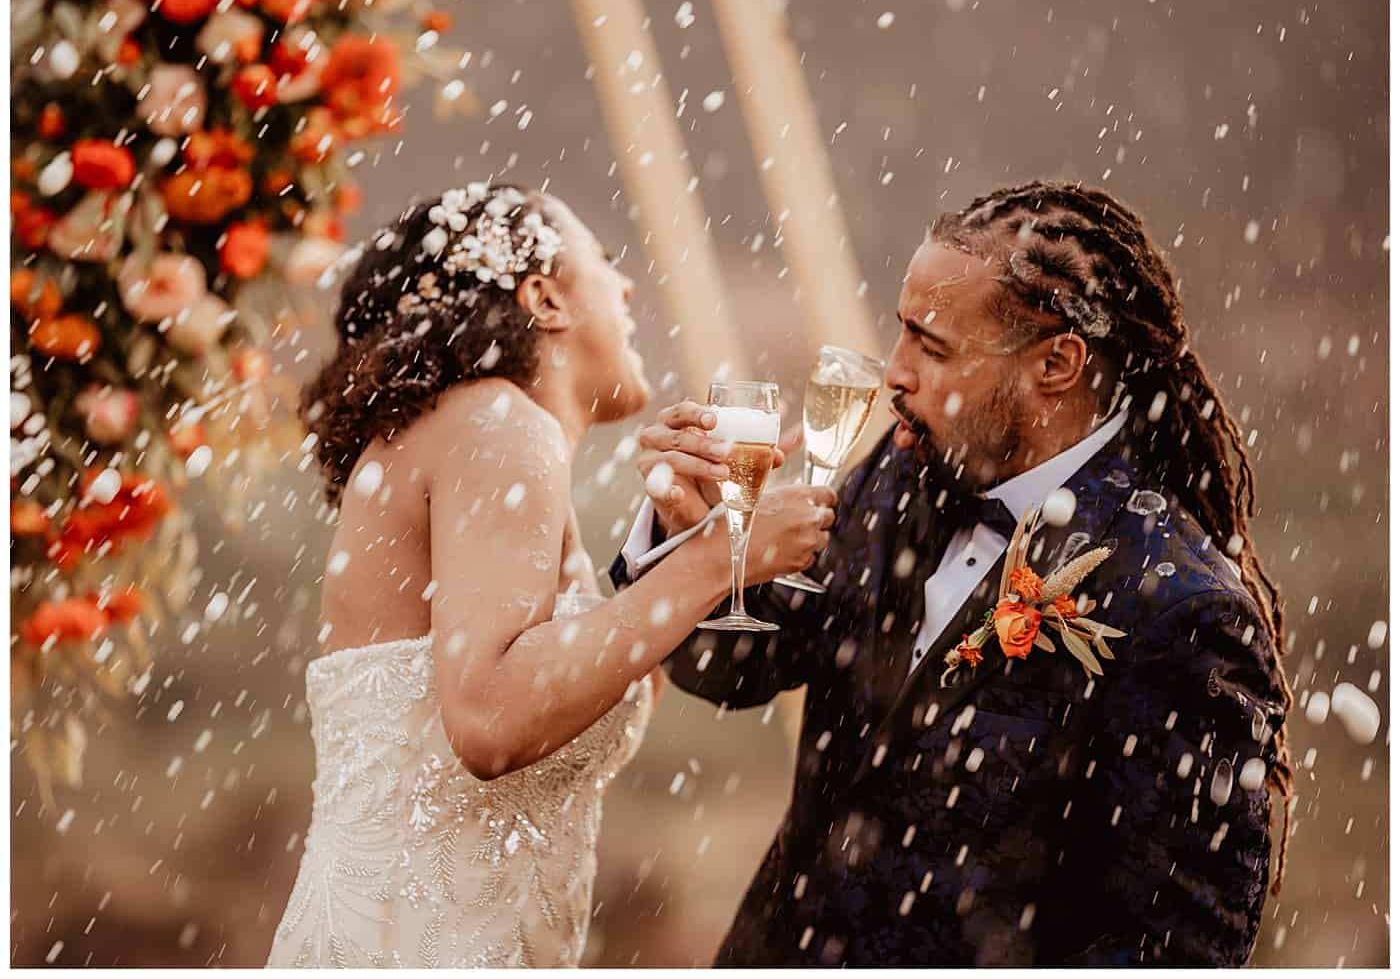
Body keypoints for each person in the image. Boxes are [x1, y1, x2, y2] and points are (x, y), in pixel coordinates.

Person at [613, 179, 1293, 966]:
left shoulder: (1182, 610)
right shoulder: (902, 471)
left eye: (931, 347)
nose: (894, 374)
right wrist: (688, 531)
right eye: (901, 332)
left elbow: (1176, 949)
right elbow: (738, 662)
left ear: (1057, 362)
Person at [267, 182, 835, 967]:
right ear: (544, 298)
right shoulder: (497, 423)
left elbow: (566, 701)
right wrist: (714, 562)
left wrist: (683, 528)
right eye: (604, 261)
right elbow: (490, 720)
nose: (627, 287)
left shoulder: (480, 433)